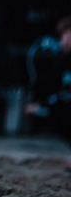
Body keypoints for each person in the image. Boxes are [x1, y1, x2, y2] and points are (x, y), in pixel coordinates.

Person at [25, 15, 71, 144]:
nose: (64, 40)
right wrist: (42, 105)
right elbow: (49, 84)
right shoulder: (63, 61)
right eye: (64, 36)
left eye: (67, 35)